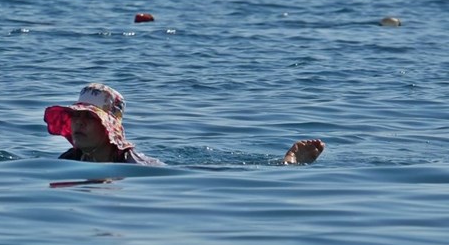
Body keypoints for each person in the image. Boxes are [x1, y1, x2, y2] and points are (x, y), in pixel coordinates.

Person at [44, 83, 325, 166]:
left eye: (89, 117)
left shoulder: (135, 165)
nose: (78, 122)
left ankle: (287, 164)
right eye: (75, 116)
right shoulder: (69, 161)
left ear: (107, 128)